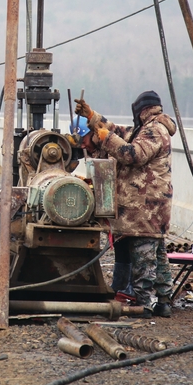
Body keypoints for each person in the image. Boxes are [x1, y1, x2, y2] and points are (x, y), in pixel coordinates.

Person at [75, 90, 177, 317]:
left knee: (144, 258)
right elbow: (118, 131)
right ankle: (163, 301)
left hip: (146, 209)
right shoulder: (146, 128)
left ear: (141, 110)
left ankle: (145, 304)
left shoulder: (154, 131)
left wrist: (105, 139)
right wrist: (92, 116)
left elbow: (132, 154)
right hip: (148, 209)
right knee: (156, 255)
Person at [69, 115, 135, 304]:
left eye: (84, 140)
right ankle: (120, 285)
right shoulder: (93, 150)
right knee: (121, 244)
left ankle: (133, 288)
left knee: (132, 244)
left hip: (130, 202)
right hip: (114, 203)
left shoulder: (114, 141)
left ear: (94, 133)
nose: (83, 146)